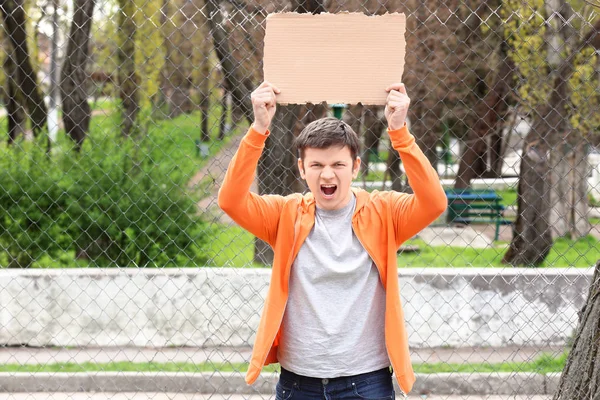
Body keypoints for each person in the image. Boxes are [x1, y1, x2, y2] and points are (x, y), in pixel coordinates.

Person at [218, 81, 447, 399]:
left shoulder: (384, 212)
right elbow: (231, 200)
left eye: (338, 164)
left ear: (355, 167)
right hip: (299, 383)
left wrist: (399, 133)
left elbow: (434, 202)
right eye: (317, 165)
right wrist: (258, 128)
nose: (327, 175)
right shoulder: (286, 215)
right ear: (302, 169)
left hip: (366, 382)